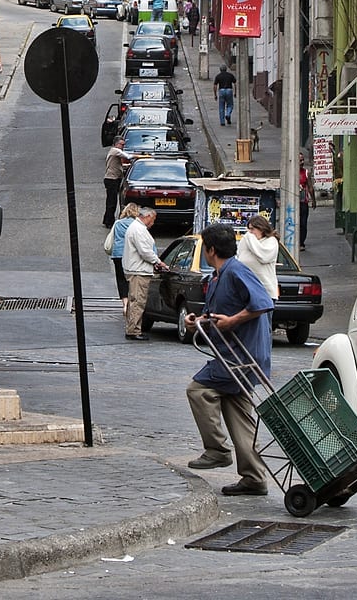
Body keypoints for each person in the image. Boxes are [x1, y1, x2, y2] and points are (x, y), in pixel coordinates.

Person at [184, 223, 274, 496]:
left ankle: (217, 450)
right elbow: (216, 317)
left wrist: (233, 320)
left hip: (241, 356)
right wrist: (197, 322)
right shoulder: (218, 276)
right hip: (235, 356)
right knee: (239, 415)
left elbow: (263, 303)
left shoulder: (237, 271)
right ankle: (254, 478)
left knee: (198, 390)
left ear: (210, 250)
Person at [120, 207, 164, 340]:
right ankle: (133, 330)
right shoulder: (138, 230)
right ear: (147, 216)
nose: (153, 223)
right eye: (153, 219)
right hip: (138, 270)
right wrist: (158, 261)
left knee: (136, 300)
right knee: (138, 301)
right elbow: (145, 251)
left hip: (136, 269)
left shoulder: (137, 228)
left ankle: (134, 328)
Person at [236, 214, 280, 304]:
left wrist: (249, 237)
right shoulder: (246, 241)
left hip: (265, 291)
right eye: (248, 229)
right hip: (246, 291)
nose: (250, 232)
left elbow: (264, 257)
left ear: (262, 229)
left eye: (252, 229)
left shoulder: (271, 241)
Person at [105, 204, 140, 300]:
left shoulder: (118, 223)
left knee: (121, 279)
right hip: (131, 255)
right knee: (131, 278)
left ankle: (124, 302)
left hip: (118, 254)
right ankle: (131, 299)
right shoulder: (137, 224)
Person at [101, 134, 132, 227]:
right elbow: (128, 156)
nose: (123, 147)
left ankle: (107, 219)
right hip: (111, 179)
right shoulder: (115, 151)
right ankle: (109, 221)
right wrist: (141, 156)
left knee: (111, 201)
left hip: (114, 179)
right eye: (121, 144)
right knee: (112, 201)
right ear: (116, 144)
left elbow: (118, 165)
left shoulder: (115, 152)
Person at [298, 164, 312, 251]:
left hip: (303, 202)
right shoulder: (290, 172)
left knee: (303, 223)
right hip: (293, 202)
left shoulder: (306, 173)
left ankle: (301, 242)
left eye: (303, 160)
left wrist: (313, 200)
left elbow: (310, 187)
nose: (302, 162)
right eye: (300, 160)